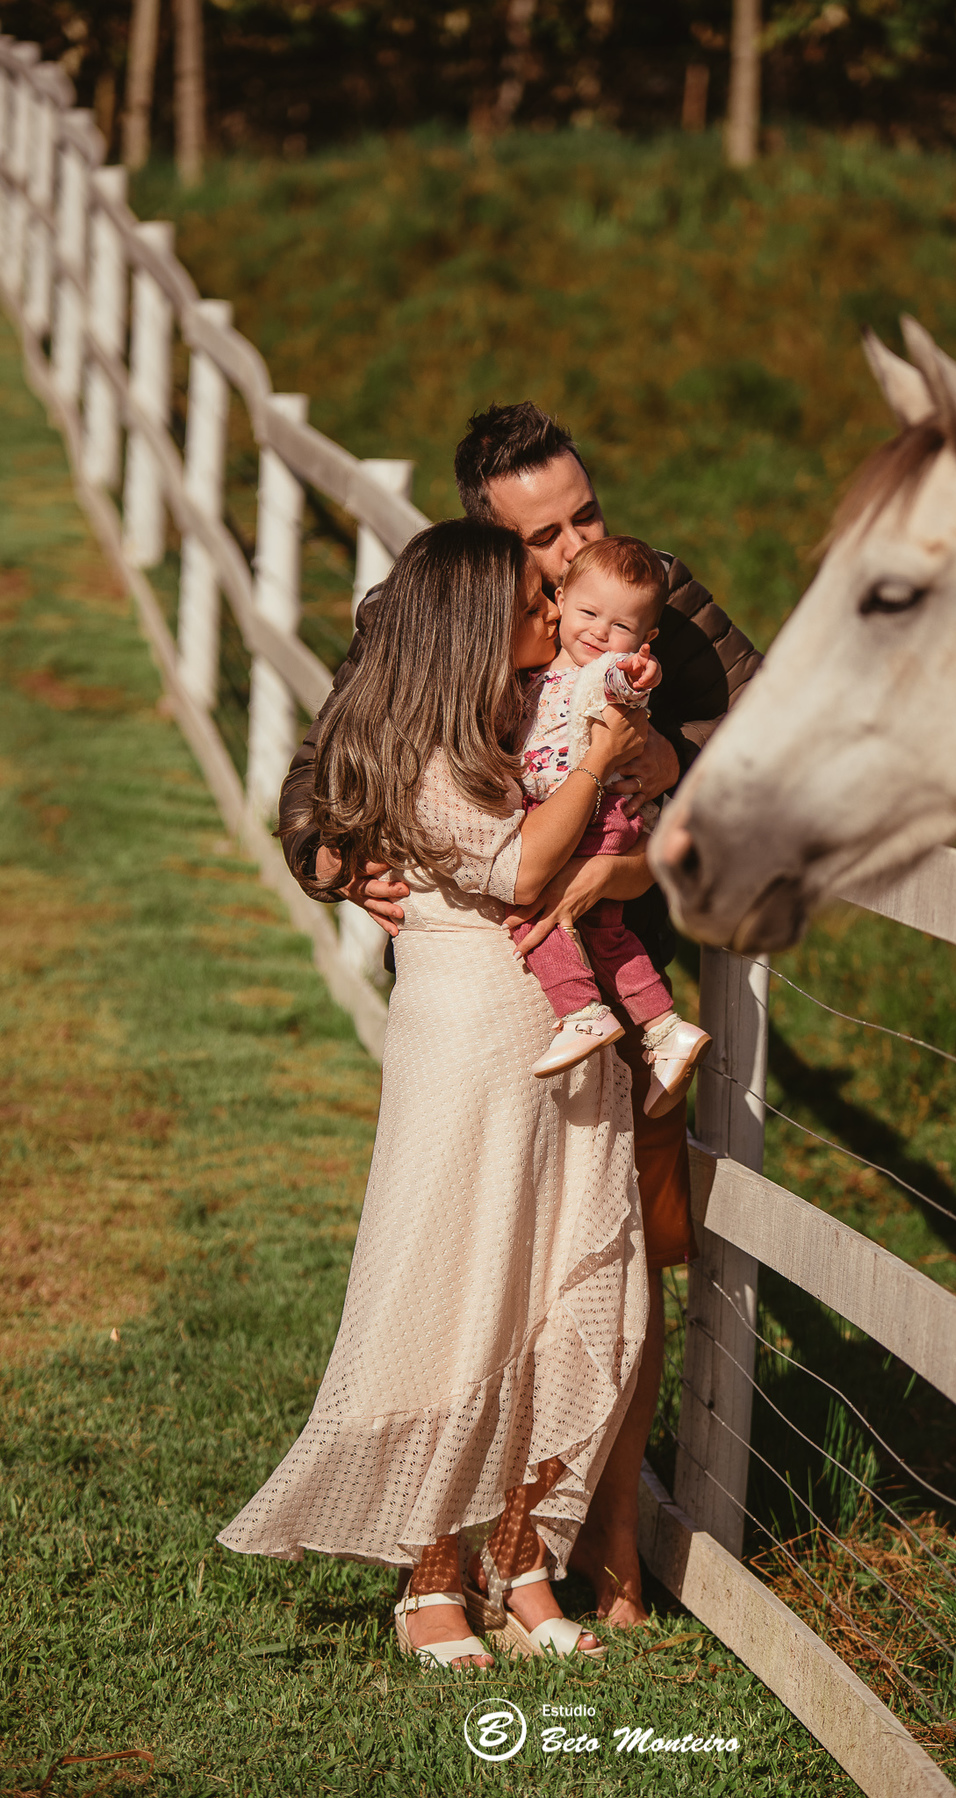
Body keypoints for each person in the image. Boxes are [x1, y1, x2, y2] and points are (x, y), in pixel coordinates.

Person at [277, 403, 762, 1628]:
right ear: (489, 535)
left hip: (623, 973)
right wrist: (327, 857)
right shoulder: (455, 597)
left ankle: (598, 1549)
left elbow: (765, 731)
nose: (575, 545)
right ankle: (459, 1555)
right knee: (477, 1258)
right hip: (486, 987)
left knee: (611, 1260)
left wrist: (670, 765)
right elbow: (338, 748)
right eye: (545, 533)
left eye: (583, 511)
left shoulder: (656, 595)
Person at [220, 519, 651, 1669]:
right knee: (459, 1288)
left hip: (565, 1030)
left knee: (555, 1289)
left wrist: (624, 753)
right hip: (469, 1033)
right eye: (533, 599)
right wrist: (605, 759)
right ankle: (425, 1577)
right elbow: (518, 869)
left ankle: (518, 1562)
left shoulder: (534, 703)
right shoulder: (432, 749)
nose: (554, 615)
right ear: (473, 619)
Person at [514, 535, 712, 1118]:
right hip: (579, 815)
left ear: (645, 639)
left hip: (600, 817)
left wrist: (635, 672)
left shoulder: (602, 671)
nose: (600, 632)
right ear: (559, 599)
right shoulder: (542, 672)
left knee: (532, 912)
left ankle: (581, 1012)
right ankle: (663, 1031)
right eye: (588, 613)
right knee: (606, 932)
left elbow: (625, 682)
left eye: (621, 626)